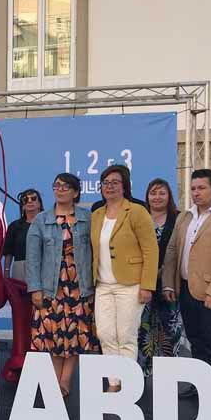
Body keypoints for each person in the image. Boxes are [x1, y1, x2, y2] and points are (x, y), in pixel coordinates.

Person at [163, 169, 211, 396]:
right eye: (193, 188)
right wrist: (169, 283)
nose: (196, 193)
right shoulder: (184, 217)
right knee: (196, 342)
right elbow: (172, 251)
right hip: (187, 290)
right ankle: (198, 386)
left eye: (201, 188)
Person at [26, 173, 97, 397]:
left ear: (76, 192)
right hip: (51, 286)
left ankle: (65, 381)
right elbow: (33, 257)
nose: (60, 189)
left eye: (66, 186)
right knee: (53, 335)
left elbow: (96, 252)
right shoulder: (41, 220)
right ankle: (55, 381)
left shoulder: (88, 219)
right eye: (57, 185)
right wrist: (35, 288)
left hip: (80, 285)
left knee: (76, 335)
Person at [91, 165, 158, 392]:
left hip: (130, 285)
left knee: (126, 336)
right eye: (105, 183)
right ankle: (114, 382)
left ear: (124, 186)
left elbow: (151, 250)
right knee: (105, 334)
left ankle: (125, 387)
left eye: (114, 182)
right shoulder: (96, 214)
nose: (109, 187)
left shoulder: (137, 211)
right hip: (102, 285)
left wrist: (147, 285)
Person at [137, 178, 183, 376]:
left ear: (169, 196)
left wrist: (165, 273)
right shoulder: (139, 217)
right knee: (142, 328)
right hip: (141, 282)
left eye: (162, 193)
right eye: (153, 193)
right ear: (147, 196)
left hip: (168, 283)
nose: (157, 197)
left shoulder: (179, 218)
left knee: (169, 330)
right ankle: (142, 372)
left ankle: (168, 376)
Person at [3, 188, 43, 283]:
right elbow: (8, 252)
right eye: (25, 200)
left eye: (33, 198)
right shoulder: (14, 226)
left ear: (39, 204)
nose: (29, 201)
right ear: (23, 206)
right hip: (20, 270)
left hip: (44, 268)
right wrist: (6, 272)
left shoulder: (48, 224)